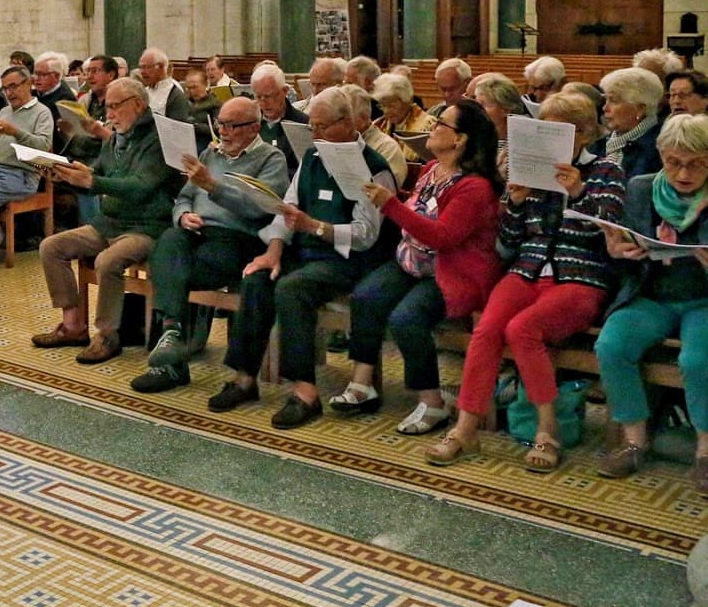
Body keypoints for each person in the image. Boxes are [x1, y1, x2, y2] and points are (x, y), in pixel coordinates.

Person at [425, 91, 624, 472]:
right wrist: (514, 203)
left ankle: (547, 431)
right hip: (527, 269)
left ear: (580, 134)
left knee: (522, 330)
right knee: (486, 330)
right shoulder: (534, 169)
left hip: (579, 275)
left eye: (553, 130)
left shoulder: (606, 170)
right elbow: (512, 241)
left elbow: (608, 229)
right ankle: (466, 429)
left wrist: (578, 192)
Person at [207, 90, 397, 427]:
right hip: (307, 250)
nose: (316, 135)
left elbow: (366, 234)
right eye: (313, 128)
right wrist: (274, 248)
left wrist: (318, 227)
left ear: (348, 123)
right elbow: (287, 208)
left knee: (293, 289)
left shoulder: (374, 168)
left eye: (323, 127)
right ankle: (244, 378)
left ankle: (305, 392)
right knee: (256, 275)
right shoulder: (312, 157)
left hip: (350, 260)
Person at [335, 100, 504, 433]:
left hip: (452, 270)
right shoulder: (430, 170)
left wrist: (391, 204)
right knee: (365, 297)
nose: (432, 127)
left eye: (441, 123)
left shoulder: (475, 187)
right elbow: (417, 210)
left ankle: (432, 402)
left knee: (406, 319)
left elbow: (443, 236)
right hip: (413, 260)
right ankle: (363, 382)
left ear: (460, 139)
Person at [133, 96, 290, 394]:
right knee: (167, 240)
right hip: (196, 232)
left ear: (254, 128)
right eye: (221, 124)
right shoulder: (211, 153)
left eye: (232, 125)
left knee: (169, 269)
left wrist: (212, 187)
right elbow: (183, 197)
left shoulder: (271, 159)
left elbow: (261, 208)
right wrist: (183, 216)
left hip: (238, 239)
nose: (224, 131)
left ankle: (171, 362)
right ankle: (172, 332)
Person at [30, 78, 185, 365]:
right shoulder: (115, 138)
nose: (109, 114)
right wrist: (67, 174)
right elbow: (97, 175)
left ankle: (107, 335)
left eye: (115, 107)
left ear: (137, 104)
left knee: (107, 261)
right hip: (109, 222)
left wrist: (92, 179)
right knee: (52, 246)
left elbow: (141, 186)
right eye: (107, 107)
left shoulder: (160, 138)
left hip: (146, 226)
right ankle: (73, 326)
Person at [594, 113, 708, 494]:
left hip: (703, 300)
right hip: (653, 294)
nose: (683, 173)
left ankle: (706, 452)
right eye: (673, 162)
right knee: (611, 345)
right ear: (660, 156)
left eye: (697, 164)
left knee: (697, 359)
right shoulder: (642, 188)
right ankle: (633, 440)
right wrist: (617, 250)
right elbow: (621, 254)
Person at [0, 67, 56, 264]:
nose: (9, 93)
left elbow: (43, 146)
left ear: (28, 84)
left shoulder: (42, 112)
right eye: (5, 88)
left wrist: (15, 131)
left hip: (24, 173)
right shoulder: (5, 111)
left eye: (13, 87)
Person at [599, 66, 664, 179]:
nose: (605, 108)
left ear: (641, 108)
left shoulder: (659, 150)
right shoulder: (598, 144)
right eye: (606, 100)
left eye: (614, 100)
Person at [340, 84, 406, 185]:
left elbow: (385, 192)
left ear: (363, 119)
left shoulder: (386, 148)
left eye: (342, 118)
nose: (335, 123)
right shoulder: (332, 141)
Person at [251, 62, 307, 171]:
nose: (263, 102)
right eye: (258, 96)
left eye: (268, 96)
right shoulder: (249, 121)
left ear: (285, 91)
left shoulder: (302, 123)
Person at [373, 72, 437, 162]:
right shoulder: (378, 125)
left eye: (392, 105)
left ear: (408, 100)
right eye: (382, 105)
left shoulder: (428, 125)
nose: (386, 111)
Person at [472, 72, 523, 178]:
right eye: (476, 103)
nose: (477, 110)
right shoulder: (474, 138)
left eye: (483, 105)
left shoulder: (517, 148)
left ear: (506, 109)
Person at [137, 48, 191, 121]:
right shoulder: (144, 91)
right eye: (140, 67)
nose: (142, 72)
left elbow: (178, 127)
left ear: (161, 67)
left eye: (146, 67)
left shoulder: (174, 94)